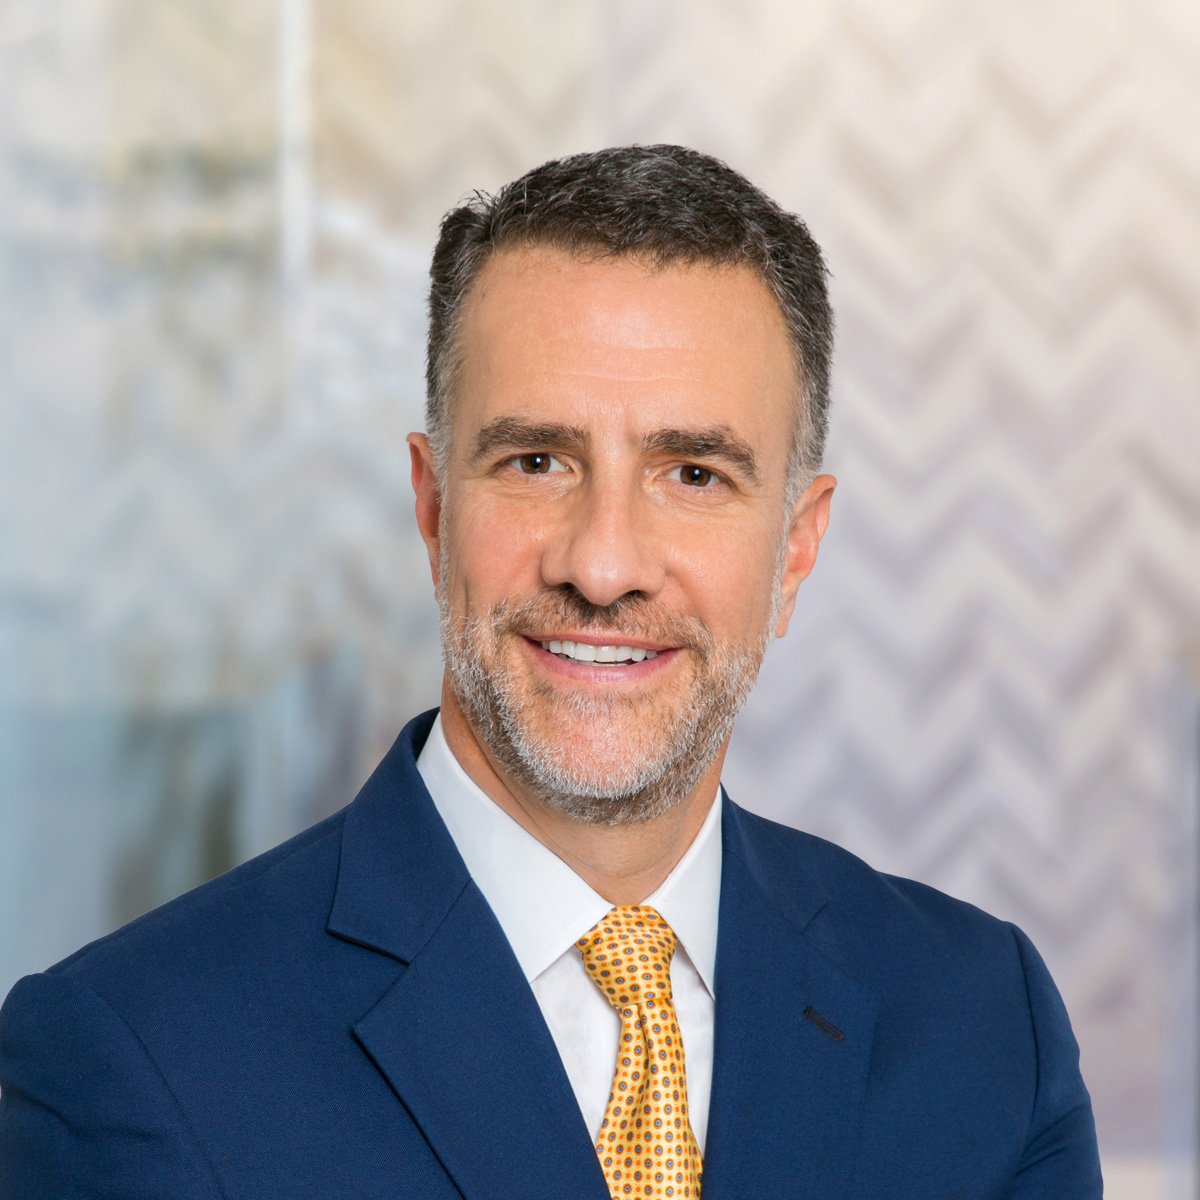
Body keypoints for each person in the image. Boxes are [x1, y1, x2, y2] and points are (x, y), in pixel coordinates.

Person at [0, 145, 1102, 1198]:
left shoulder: (982, 1027)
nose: (604, 565)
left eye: (694, 473)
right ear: (434, 510)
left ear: (797, 547)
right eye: (537, 462)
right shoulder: (131, 1056)